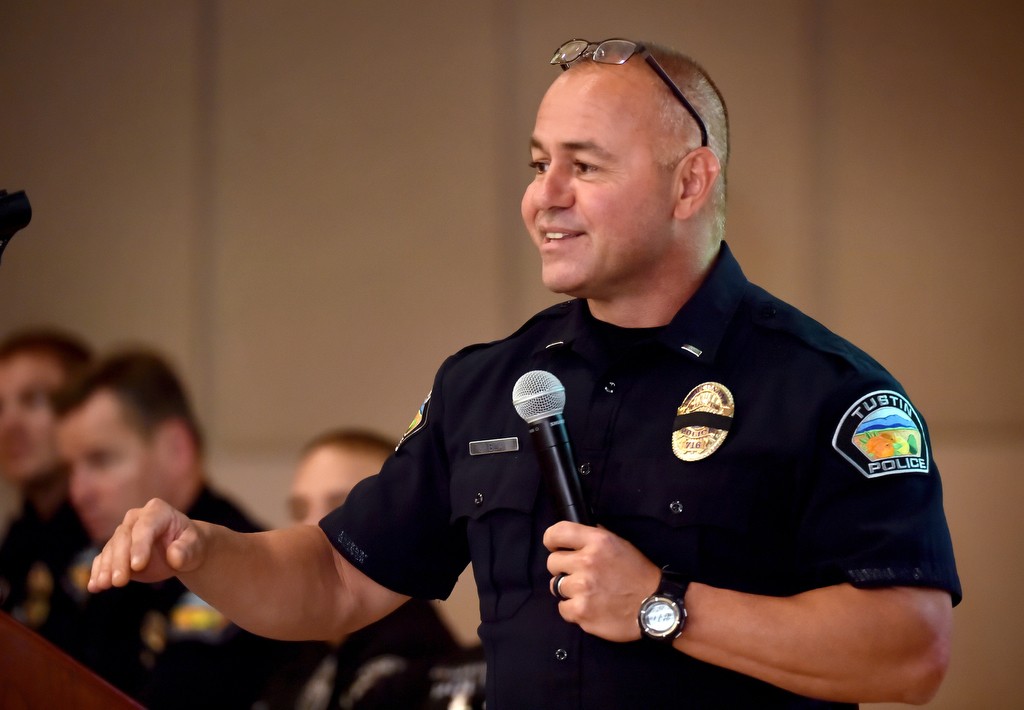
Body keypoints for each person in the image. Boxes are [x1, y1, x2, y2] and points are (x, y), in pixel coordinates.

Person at [87, 37, 961, 708]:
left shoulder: (825, 391)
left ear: (690, 183)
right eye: (539, 164)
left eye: (584, 166)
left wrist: (665, 605)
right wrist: (203, 551)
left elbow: (911, 649)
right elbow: (336, 579)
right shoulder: (489, 384)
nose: (545, 196)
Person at [54, 348, 299, 708]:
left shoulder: (237, 557)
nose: (78, 492)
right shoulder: (96, 555)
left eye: (100, 460)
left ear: (176, 450)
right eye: (70, 470)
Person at [256, 428, 462, 710]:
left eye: (342, 507)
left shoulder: (416, 663)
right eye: (300, 510)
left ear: (405, 519)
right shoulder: (297, 648)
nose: (312, 528)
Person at [0, 328, 92, 652]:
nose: (9, 424)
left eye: (33, 400)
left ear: (82, 409)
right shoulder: (16, 544)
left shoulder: (112, 535)